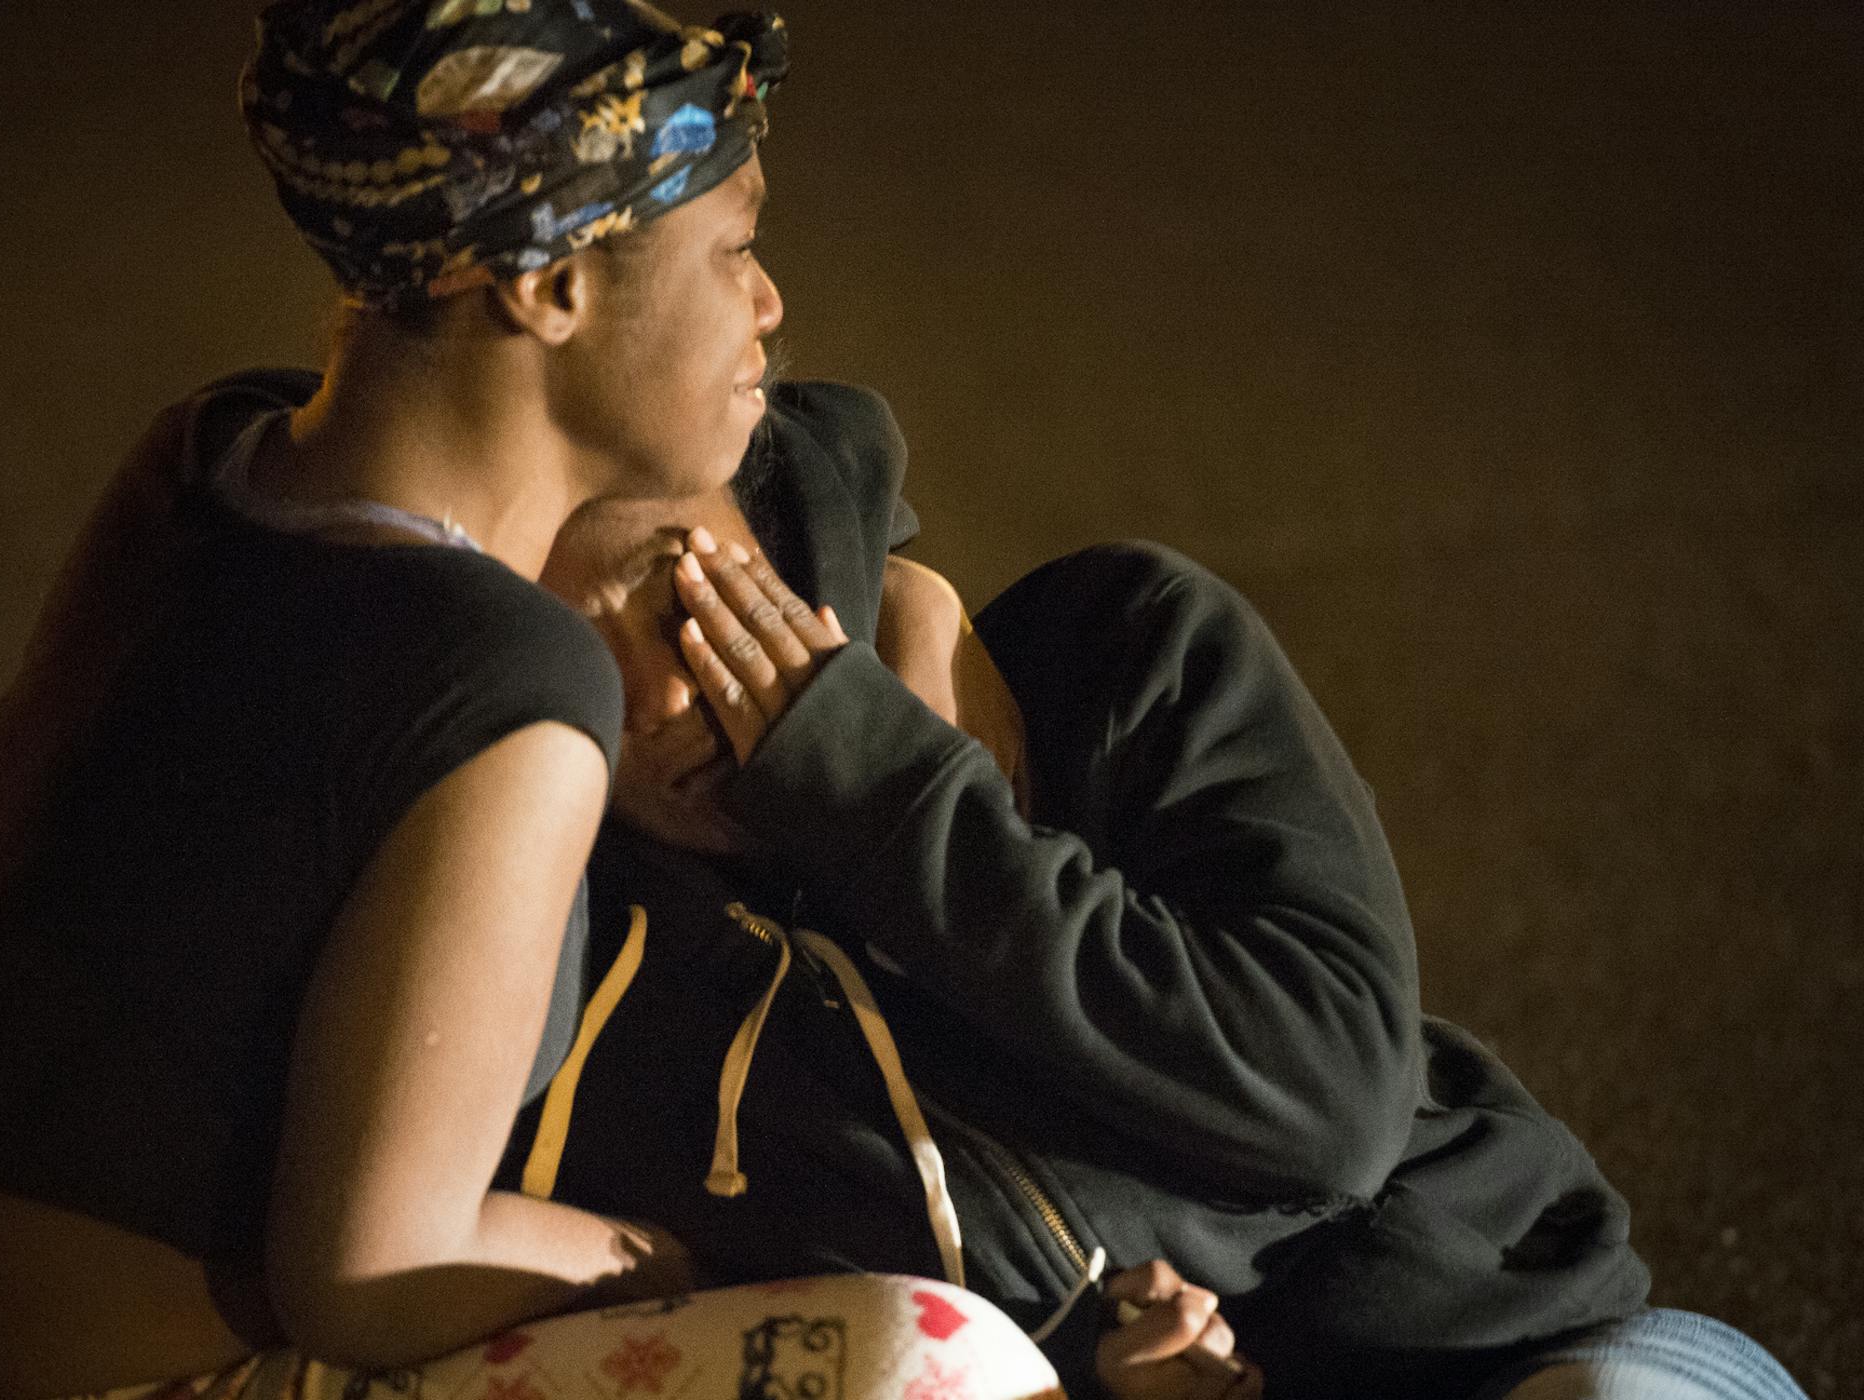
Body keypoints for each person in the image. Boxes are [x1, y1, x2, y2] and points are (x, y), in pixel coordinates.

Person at [0, 2, 821, 1395]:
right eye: (736, 246)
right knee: (936, 1358)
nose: (769, 302)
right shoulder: (506, 688)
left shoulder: (215, 457)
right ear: (549, 283)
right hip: (151, 1378)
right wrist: (689, 1274)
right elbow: (372, 1275)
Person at [507, 380, 1812, 1400]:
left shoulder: (1121, 655)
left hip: (1505, 1353)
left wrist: (880, 789)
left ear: (791, 542)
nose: (661, 698)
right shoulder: (638, 956)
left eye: (682, 593)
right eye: (578, 662)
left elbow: (1326, 1105)